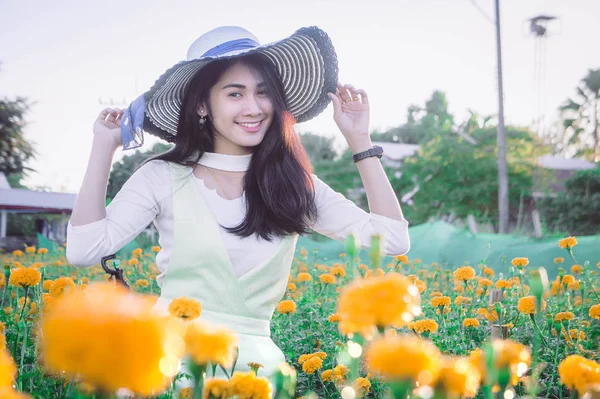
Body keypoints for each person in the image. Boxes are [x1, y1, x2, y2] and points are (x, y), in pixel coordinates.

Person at [66, 26, 410, 387]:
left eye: (263, 93)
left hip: (258, 376)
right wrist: (103, 148)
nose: (254, 107)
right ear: (202, 104)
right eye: (235, 93)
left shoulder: (294, 184)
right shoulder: (162, 176)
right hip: (168, 367)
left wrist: (360, 140)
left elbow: (392, 240)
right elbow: (83, 249)